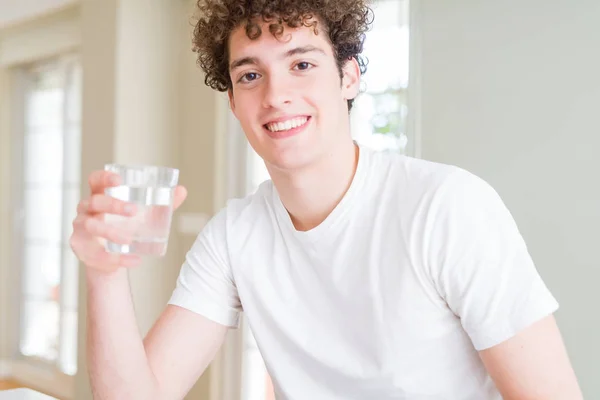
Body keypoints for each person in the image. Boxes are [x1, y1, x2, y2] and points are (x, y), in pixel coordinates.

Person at [70, 0, 583, 398]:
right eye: (250, 75)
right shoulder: (234, 236)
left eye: (301, 64)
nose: (275, 96)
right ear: (233, 101)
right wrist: (105, 273)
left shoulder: (447, 207)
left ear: (349, 75)